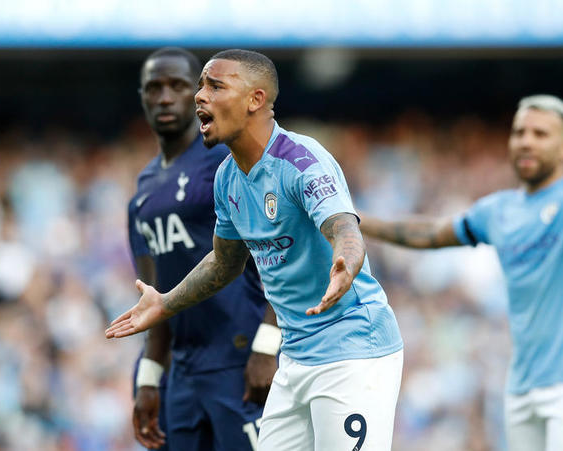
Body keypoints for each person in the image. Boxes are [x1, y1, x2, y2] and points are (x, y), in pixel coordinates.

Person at [107, 49, 404, 451]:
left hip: (350, 351)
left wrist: (346, 263)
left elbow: (344, 226)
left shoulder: (301, 160)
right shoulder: (227, 176)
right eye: (200, 87)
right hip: (296, 358)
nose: (199, 96)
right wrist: (166, 303)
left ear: (255, 99)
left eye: (215, 86)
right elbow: (223, 263)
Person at [359, 80, 563, 451]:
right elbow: (431, 233)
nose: (526, 141)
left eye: (541, 133)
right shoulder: (499, 210)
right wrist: (355, 221)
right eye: (520, 132)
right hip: (522, 388)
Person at [126, 47, 280, 451]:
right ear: (141, 96)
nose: (164, 97)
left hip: (241, 359)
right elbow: (152, 294)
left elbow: (286, 254)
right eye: (153, 87)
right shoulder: (141, 194)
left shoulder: (226, 162)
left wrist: (268, 346)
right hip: (182, 371)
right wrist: (147, 378)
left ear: (199, 93)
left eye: (177, 86)